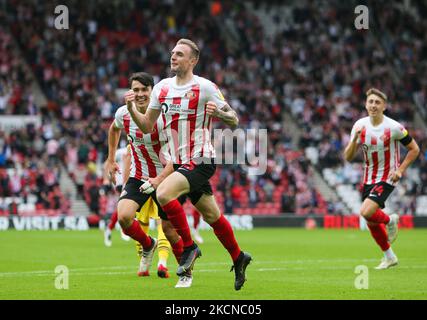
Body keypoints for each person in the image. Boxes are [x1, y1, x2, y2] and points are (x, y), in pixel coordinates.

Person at [127, 38, 252, 290]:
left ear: (193, 60)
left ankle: (190, 247)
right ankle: (239, 257)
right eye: (173, 53)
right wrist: (131, 107)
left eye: (180, 54)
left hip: (202, 159)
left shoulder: (206, 87)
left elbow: (234, 119)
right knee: (212, 215)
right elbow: (146, 126)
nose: (173, 57)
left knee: (163, 192)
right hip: (182, 163)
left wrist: (220, 114)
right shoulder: (161, 88)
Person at [104, 72, 186, 282]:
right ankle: (148, 244)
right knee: (123, 217)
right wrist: (111, 159)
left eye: (144, 90)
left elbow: (176, 156)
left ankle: (185, 271)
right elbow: (114, 129)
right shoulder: (123, 113)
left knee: (168, 229)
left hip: (165, 178)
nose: (140, 94)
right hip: (139, 176)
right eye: (136, 90)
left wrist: (159, 179)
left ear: (152, 91)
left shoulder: (164, 116)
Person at [344, 88, 420, 269]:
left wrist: (400, 170)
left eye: (377, 102)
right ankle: (390, 256)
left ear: (384, 106)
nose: (373, 105)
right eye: (370, 102)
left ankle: (390, 220)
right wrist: (354, 139)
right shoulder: (359, 125)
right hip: (368, 178)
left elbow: (414, 149)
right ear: (365, 104)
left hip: (387, 176)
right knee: (370, 220)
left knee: (366, 212)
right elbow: (347, 157)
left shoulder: (394, 127)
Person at [103, 145, 131, 247]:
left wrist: (106, 180)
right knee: (126, 205)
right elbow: (107, 164)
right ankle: (122, 228)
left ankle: (110, 229)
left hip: (124, 181)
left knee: (124, 206)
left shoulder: (118, 151)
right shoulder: (124, 151)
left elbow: (106, 165)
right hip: (123, 182)